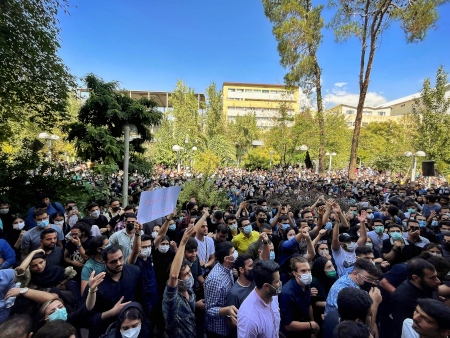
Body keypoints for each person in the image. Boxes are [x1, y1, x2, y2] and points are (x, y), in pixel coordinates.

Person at [83, 245, 141, 338]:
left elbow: (142, 298)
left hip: (133, 328)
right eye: (113, 262)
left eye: (120, 258)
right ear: (105, 264)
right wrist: (112, 312)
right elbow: (86, 318)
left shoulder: (134, 271)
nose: (118, 263)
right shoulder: (96, 283)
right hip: (106, 331)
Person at [391, 258, 441, 338]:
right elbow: (404, 328)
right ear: (416, 278)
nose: (438, 281)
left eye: (436, 276)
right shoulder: (402, 298)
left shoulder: (429, 286)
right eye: (432, 278)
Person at [162, 225, 196, 338]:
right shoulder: (171, 298)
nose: (190, 276)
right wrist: (182, 243)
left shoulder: (189, 289)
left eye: (189, 272)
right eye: (186, 274)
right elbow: (173, 276)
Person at [237, 260, 281, 338]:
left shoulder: (272, 294)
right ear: (266, 286)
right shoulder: (250, 318)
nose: (280, 283)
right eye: (277, 281)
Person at [279, 256, 320, 338]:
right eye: (303, 271)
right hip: (293, 334)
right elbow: (288, 325)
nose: (307, 273)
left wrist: (312, 328)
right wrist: (312, 325)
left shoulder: (306, 284)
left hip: (306, 328)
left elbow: (309, 304)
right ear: (294, 273)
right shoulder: (287, 294)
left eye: (309, 270)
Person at [204, 241, 238, 338]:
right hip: (219, 329)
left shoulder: (229, 269)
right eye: (233, 252)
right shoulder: (215, 279)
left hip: (229, 324)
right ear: (226, 259)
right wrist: (226, 310)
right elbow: (209, 309)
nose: (236, 253)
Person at [226, 254, 255, 338]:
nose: (253, 268)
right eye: (250, 266)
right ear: (241, 270)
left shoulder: (254, 281)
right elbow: (230, 321)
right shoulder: (234, 293)